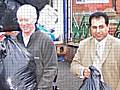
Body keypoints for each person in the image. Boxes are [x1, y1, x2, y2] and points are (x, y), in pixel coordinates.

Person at [70, 12, 120, 90]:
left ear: (108, 26)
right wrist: (83, 71)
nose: (98, 31)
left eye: (101, 27)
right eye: (94, 27)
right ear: (90, 28)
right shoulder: (84, 44)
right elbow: (74, 65)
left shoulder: (118, 45)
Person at [16, 4, 58, 90]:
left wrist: (42, 87)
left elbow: (51, 67)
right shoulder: (15, 40)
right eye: (20, 20)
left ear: (34, 20)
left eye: (27, 20)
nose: (23, 24)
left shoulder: (45, 40)